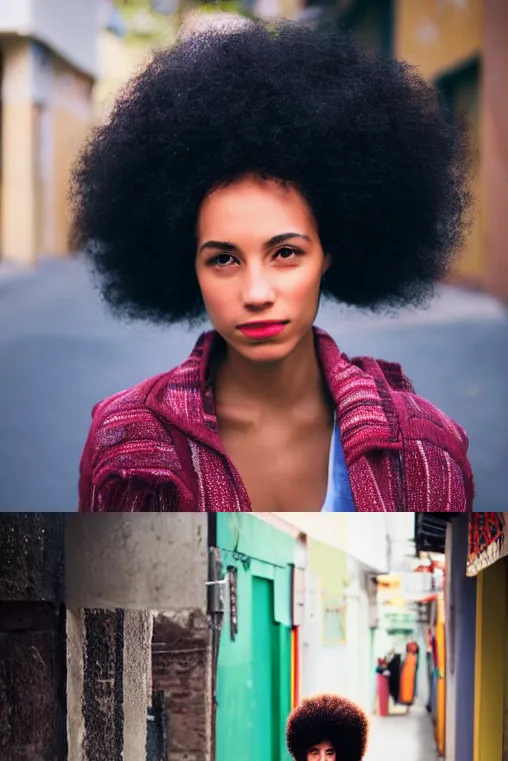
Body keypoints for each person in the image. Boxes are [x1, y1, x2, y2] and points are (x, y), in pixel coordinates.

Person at [74, 20, 472, 512]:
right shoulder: (124, 438)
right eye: (223, 259)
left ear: (330, 251)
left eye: (285, 253)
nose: (257, 292)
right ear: (186, 266)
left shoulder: (425, 448)